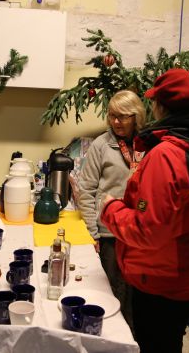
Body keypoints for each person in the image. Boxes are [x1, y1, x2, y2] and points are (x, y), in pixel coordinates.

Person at [100, 69, 189, 353]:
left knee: (154, 343)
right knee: (169, 341)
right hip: (187, 269)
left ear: (162, 107)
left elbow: (149, 231)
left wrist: (111, 209)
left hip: (161, 277)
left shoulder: (166, 154)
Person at [77, 89, 146, 329]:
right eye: (112, 116)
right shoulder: (101, 145)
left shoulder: (146, 145)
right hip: (110, 234)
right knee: (113, 294)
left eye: (123, 116)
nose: (116, 122)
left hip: (140, 234)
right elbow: (85, 191)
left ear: (136, 116)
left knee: (136, 297)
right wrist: (92, 233)